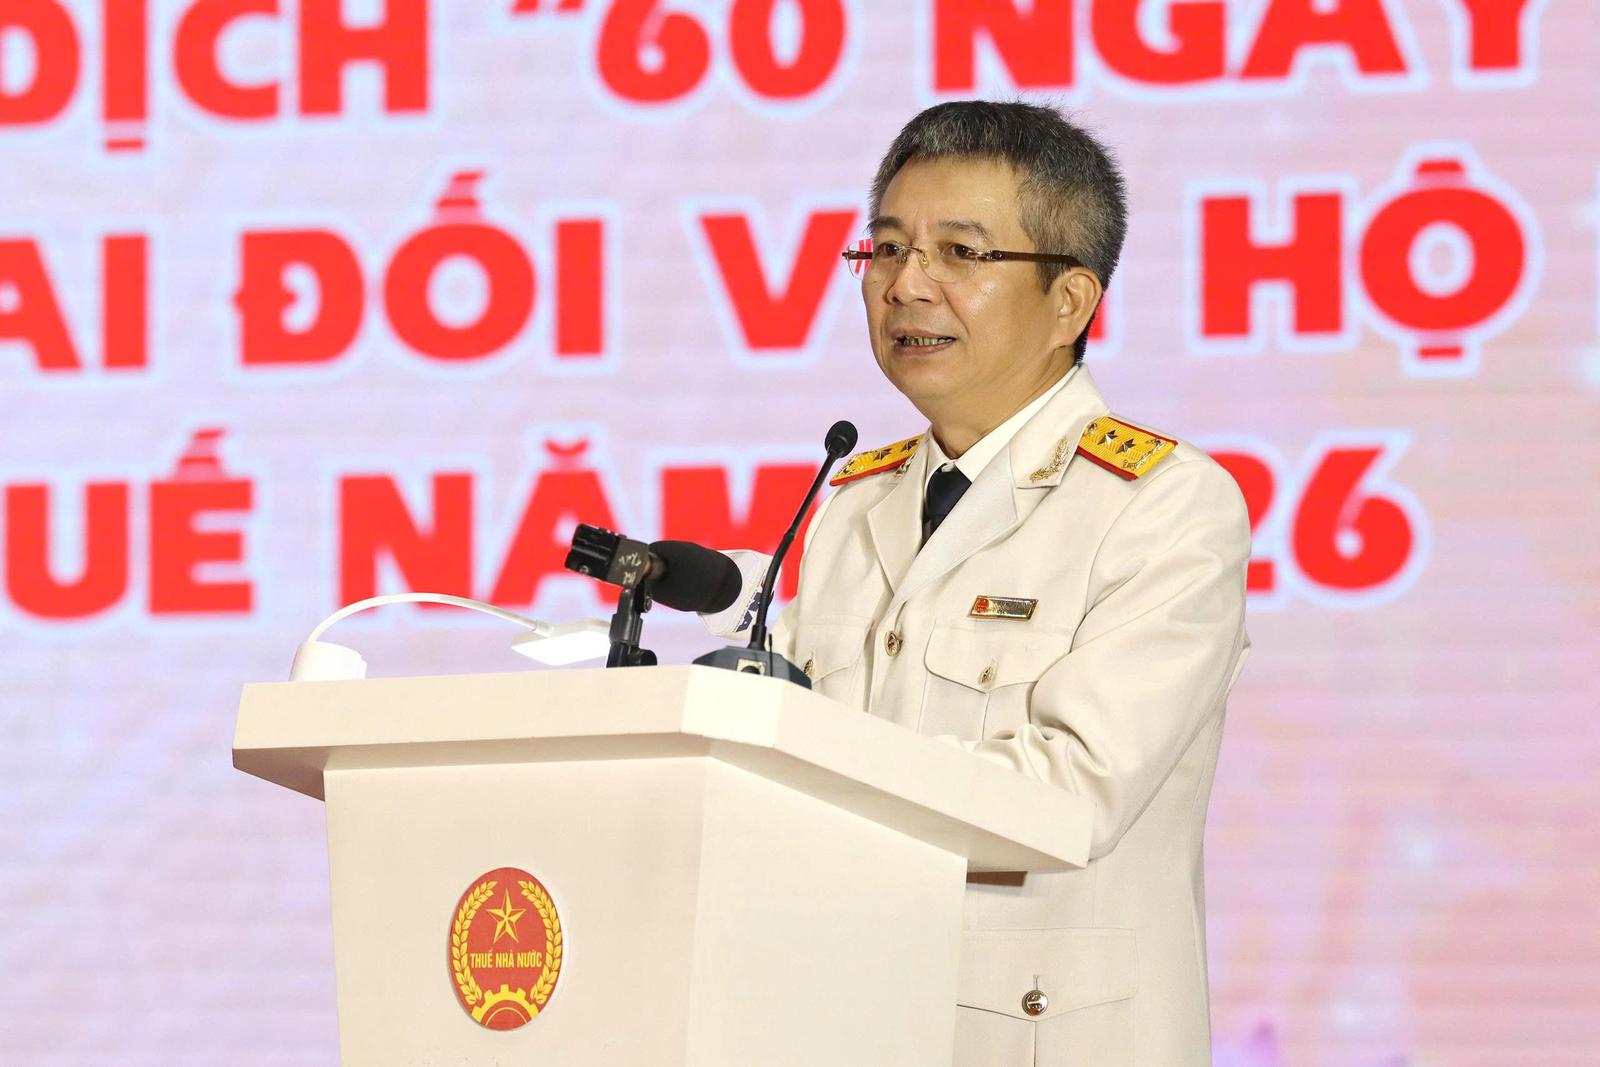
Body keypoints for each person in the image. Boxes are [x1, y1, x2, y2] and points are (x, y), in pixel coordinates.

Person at [706, 100, 1250, 1066]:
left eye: (960, 253)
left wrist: (816, 789)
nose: (906, 284)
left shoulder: (1163, 505)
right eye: (885, 249)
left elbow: (1074, 793)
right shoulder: (853, 504)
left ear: (1070, 302)